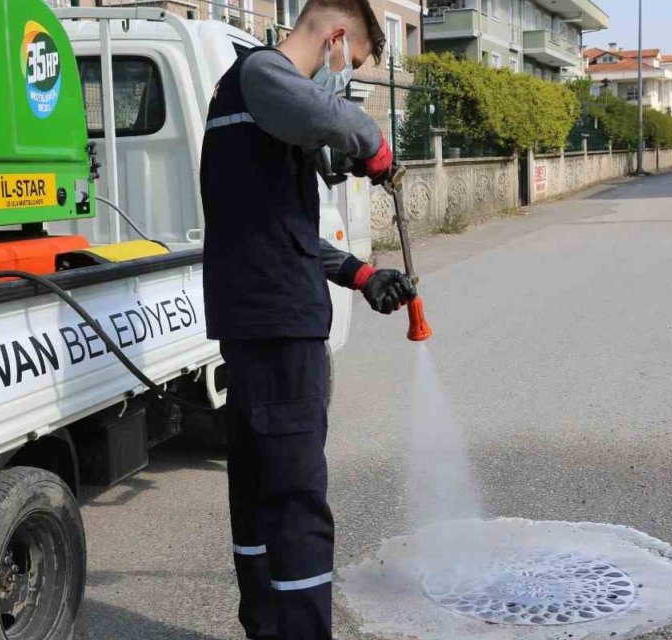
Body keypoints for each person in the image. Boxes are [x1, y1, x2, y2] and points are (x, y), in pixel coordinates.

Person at [198, 1, 417, 638]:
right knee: (296, 501)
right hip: (278, 329)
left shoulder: (251, 100)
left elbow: (278, 231)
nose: (343, 77)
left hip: (256, 320)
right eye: (351, 63)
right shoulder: (264, 74)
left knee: (259, 492)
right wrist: (375, 147)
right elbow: (334, 118)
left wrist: (361, 275)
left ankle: (268, 628)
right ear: (336, 38)